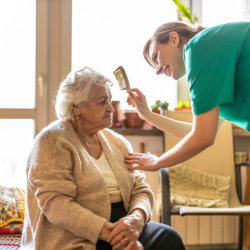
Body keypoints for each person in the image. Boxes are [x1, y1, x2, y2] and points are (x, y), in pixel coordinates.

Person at [20, 67, 185, 250]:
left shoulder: (117, 142)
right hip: (74, 232)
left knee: (168, 238)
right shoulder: (53, 140)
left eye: (110, 100)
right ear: (76, 106)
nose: (110, 108)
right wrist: (112, 233)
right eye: (102, 102)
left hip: (124, 224)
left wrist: (136, 220)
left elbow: (140, 189)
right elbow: (56, 205)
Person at [125, 21, 250, 172]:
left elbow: (203, 137)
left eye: (156, 57)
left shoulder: (199, 47)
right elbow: (198, 132)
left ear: (174, 38)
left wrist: (157, 162)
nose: (157, 70)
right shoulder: (214, 59)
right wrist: (147, 115)